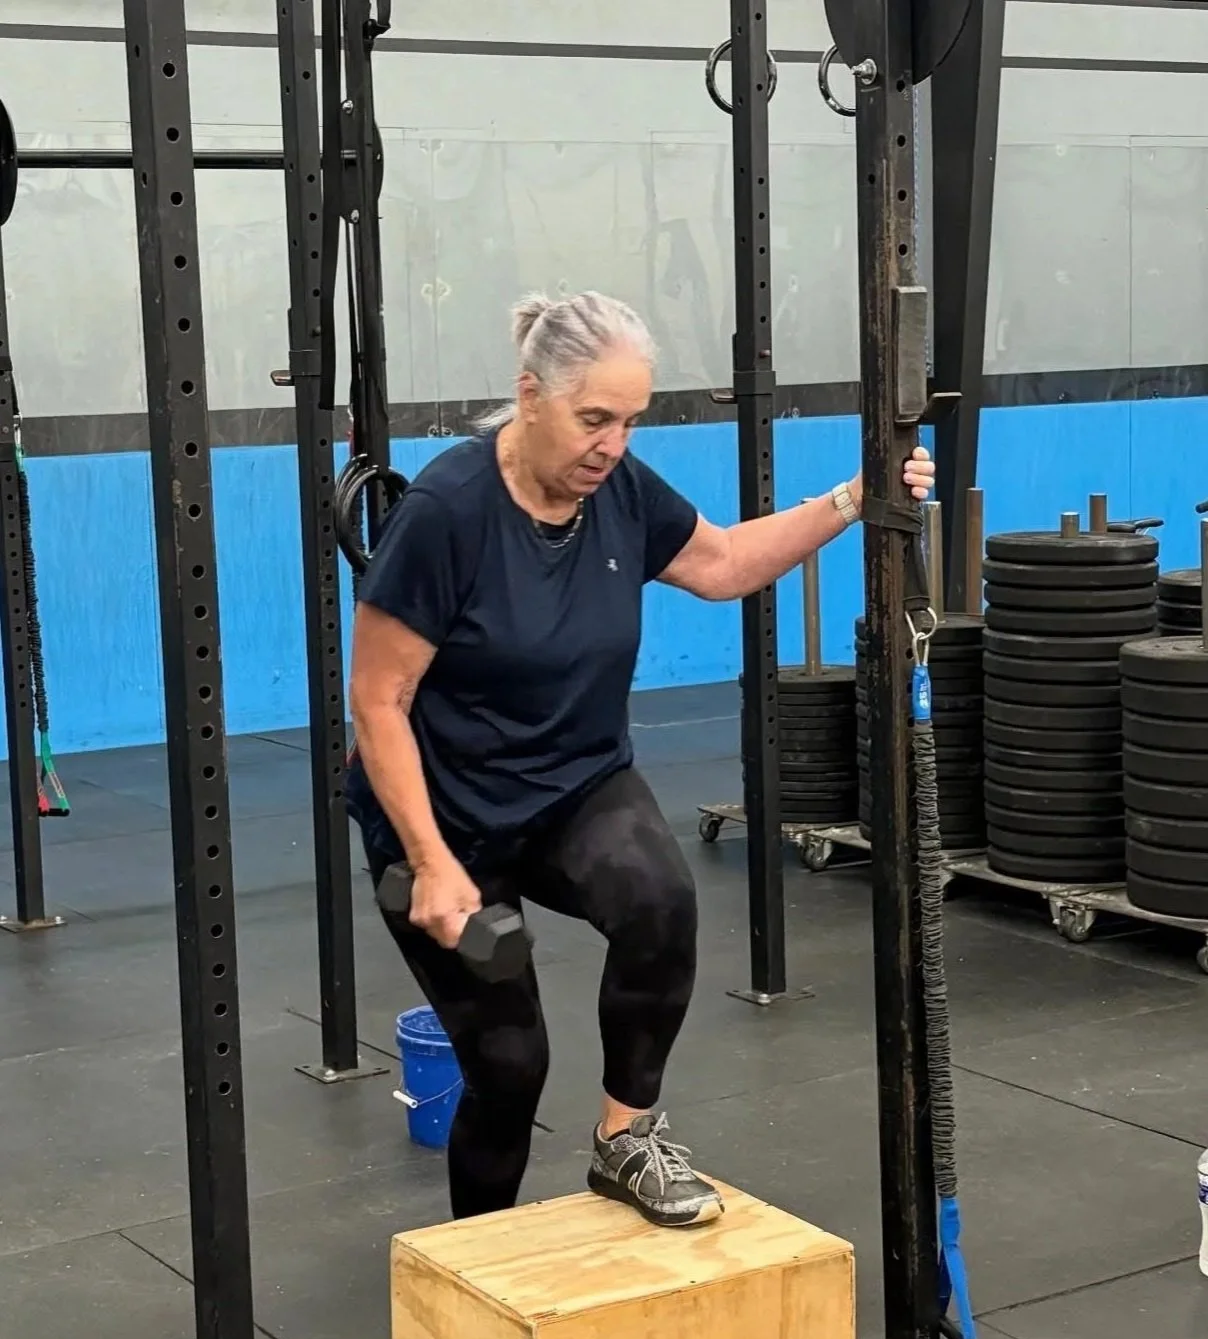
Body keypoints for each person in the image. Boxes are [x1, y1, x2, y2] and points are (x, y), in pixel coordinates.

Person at [346, 290, 934, 1229]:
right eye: (593, 419)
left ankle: (625, 1139)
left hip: (573, 784)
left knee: (660, 898)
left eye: (628, 421)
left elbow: (725, 565)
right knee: (507, 1065)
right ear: (529, 394)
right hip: (444, 816)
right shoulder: (446, 512)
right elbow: (378, 700)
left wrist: (856, 498)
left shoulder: (617, 488)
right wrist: (428, 860)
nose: (611, 444)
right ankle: (475, 1263)